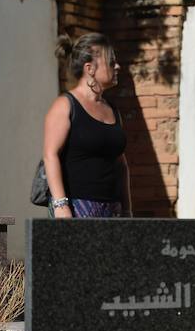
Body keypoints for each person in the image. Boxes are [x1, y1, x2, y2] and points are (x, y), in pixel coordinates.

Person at [42, 33, 132, 219]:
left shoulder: (112, 110)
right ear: (90, 68)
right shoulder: (65, 105)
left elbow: (121, 165)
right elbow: (50, 155)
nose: (117, 66)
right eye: (111, 62)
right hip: (77, 207)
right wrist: (61, 205)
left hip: (112, 211)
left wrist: (127, 210)